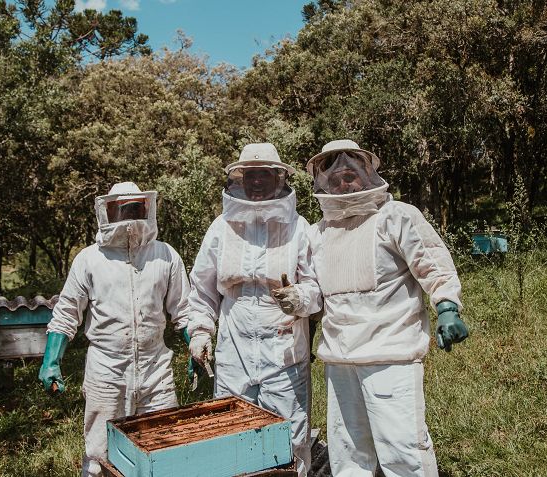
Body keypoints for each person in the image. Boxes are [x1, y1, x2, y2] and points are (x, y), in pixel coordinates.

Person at [306, 140, 469, 477]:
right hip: (339, 359)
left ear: (367, 175)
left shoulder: (396, 216)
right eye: (335, 179)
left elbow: (432, 263)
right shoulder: (317, 233)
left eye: (350, 175)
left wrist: (448, 306)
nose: (343, 183)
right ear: (323, 184)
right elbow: (313, 291)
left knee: (403, 450)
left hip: (391, 354)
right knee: (347, 454)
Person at [185, 142, 322, 477]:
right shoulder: (221, 227)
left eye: (264, 174)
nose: (256, 181)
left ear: (278, 178)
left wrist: (299, 298)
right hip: (234, 345)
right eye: (250, 175)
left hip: (284, 346)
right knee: (232, 428)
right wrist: (201, 331)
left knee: (290, 433)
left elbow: (318, 288)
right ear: (239, 180)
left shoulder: (299, 227)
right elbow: (202, 289)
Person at [38, 182, 191, 477]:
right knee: (100, 457)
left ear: (146, 208)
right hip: (106, 372)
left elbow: (183, 310)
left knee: (165, 449)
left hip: (156, 370)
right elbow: (67, 312)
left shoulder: (165, 255)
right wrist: (51, 361)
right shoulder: (89, 259)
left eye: (135, 208)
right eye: (122, 208)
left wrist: (196, 345)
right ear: (108, 211)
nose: (130, 215)